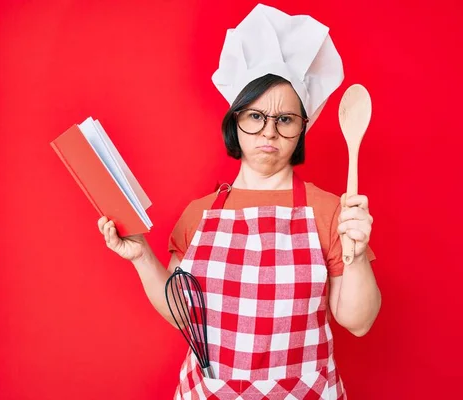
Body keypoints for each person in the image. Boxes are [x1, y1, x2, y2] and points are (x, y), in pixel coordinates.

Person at [98, 4, 381, 399]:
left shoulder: (331, 210)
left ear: (303, 128)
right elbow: (185, 315)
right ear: (236, 120)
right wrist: (141, 255)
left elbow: (358, 321)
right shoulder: (198, 214)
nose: (269, 132)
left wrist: (358, 249)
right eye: (255, 116)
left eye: (285, 119)